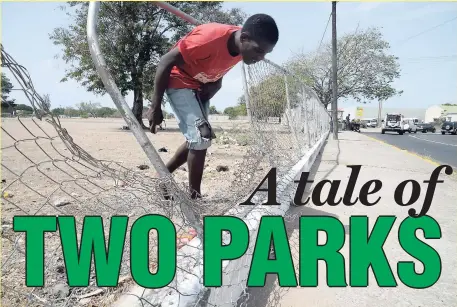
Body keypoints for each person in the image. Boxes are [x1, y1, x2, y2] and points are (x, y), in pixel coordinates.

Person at [147, 14, 279, 200]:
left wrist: (217, 82)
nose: (261, 57)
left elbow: (221, 60)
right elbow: (166, 61)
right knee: (201, 136)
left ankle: (163, 175)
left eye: (265, 53)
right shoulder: (208, 39)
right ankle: (195, 199)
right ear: (244, 38)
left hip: (200, 85)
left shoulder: (243, 46)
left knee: (199, 139)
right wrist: (156, 105)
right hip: (178, 79)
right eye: (258, 51)